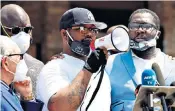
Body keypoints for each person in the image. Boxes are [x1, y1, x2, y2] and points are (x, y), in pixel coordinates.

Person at [36, 7, 111, 111]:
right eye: (82, 29)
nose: (89, 34)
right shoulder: (54, 67)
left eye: (93, 30)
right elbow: (60, 107)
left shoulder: (100, 70)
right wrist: (88, 69)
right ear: (64, 34)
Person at [105, 8, 175, 111]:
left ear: (157, 34)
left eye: (146, 26)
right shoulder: (109, 64)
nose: (140, 30)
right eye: (134, 26)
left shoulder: (172, 66)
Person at [0, 4, 44, 96]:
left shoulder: (37, 67)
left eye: (27, 30)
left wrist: (27, 97)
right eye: (15, 30)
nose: (22, 35)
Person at [0, 36, 43, 111]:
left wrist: (28, 97)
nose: (21, 62)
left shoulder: (6, 90)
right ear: (5, 63)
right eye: (19, 57)